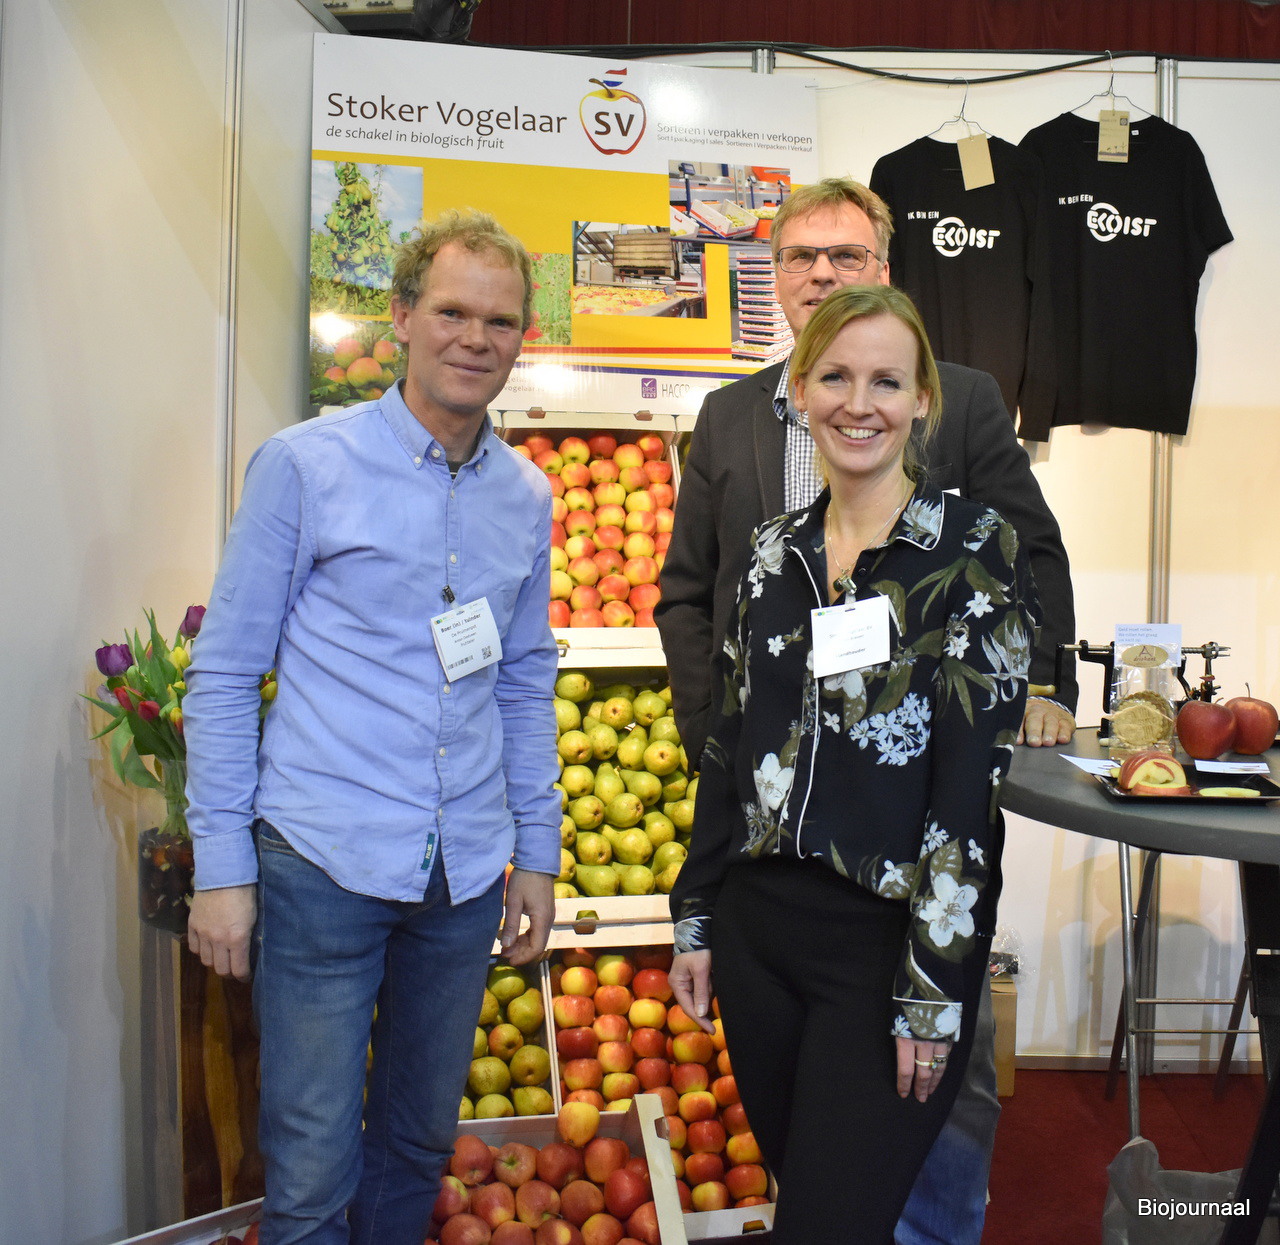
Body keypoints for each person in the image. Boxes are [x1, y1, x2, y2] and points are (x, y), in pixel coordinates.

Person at [656, 176, 1075, 1245]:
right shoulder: (773, 555)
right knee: (808, 1195)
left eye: (885, 381)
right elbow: (734, 742)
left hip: (883, 938)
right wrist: (696, 910)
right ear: (797, 390)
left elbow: (964, 797)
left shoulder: (970, 553)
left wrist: (935, 980)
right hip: (759, 936)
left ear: (922, 399)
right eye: (835, 379)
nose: (859, 403)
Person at [182, 209, 561, 1245]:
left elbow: (524, 680)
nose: (475, 338)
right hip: (323, 861)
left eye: (500, 320)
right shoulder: (305, 466)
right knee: (309, 1165)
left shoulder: (526, 496)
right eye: (451, 312)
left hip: (463, 873)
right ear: (400, 316)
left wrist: (537, 851)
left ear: (523, 337)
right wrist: (223, 866)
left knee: (417, 1142)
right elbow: (225, 674)